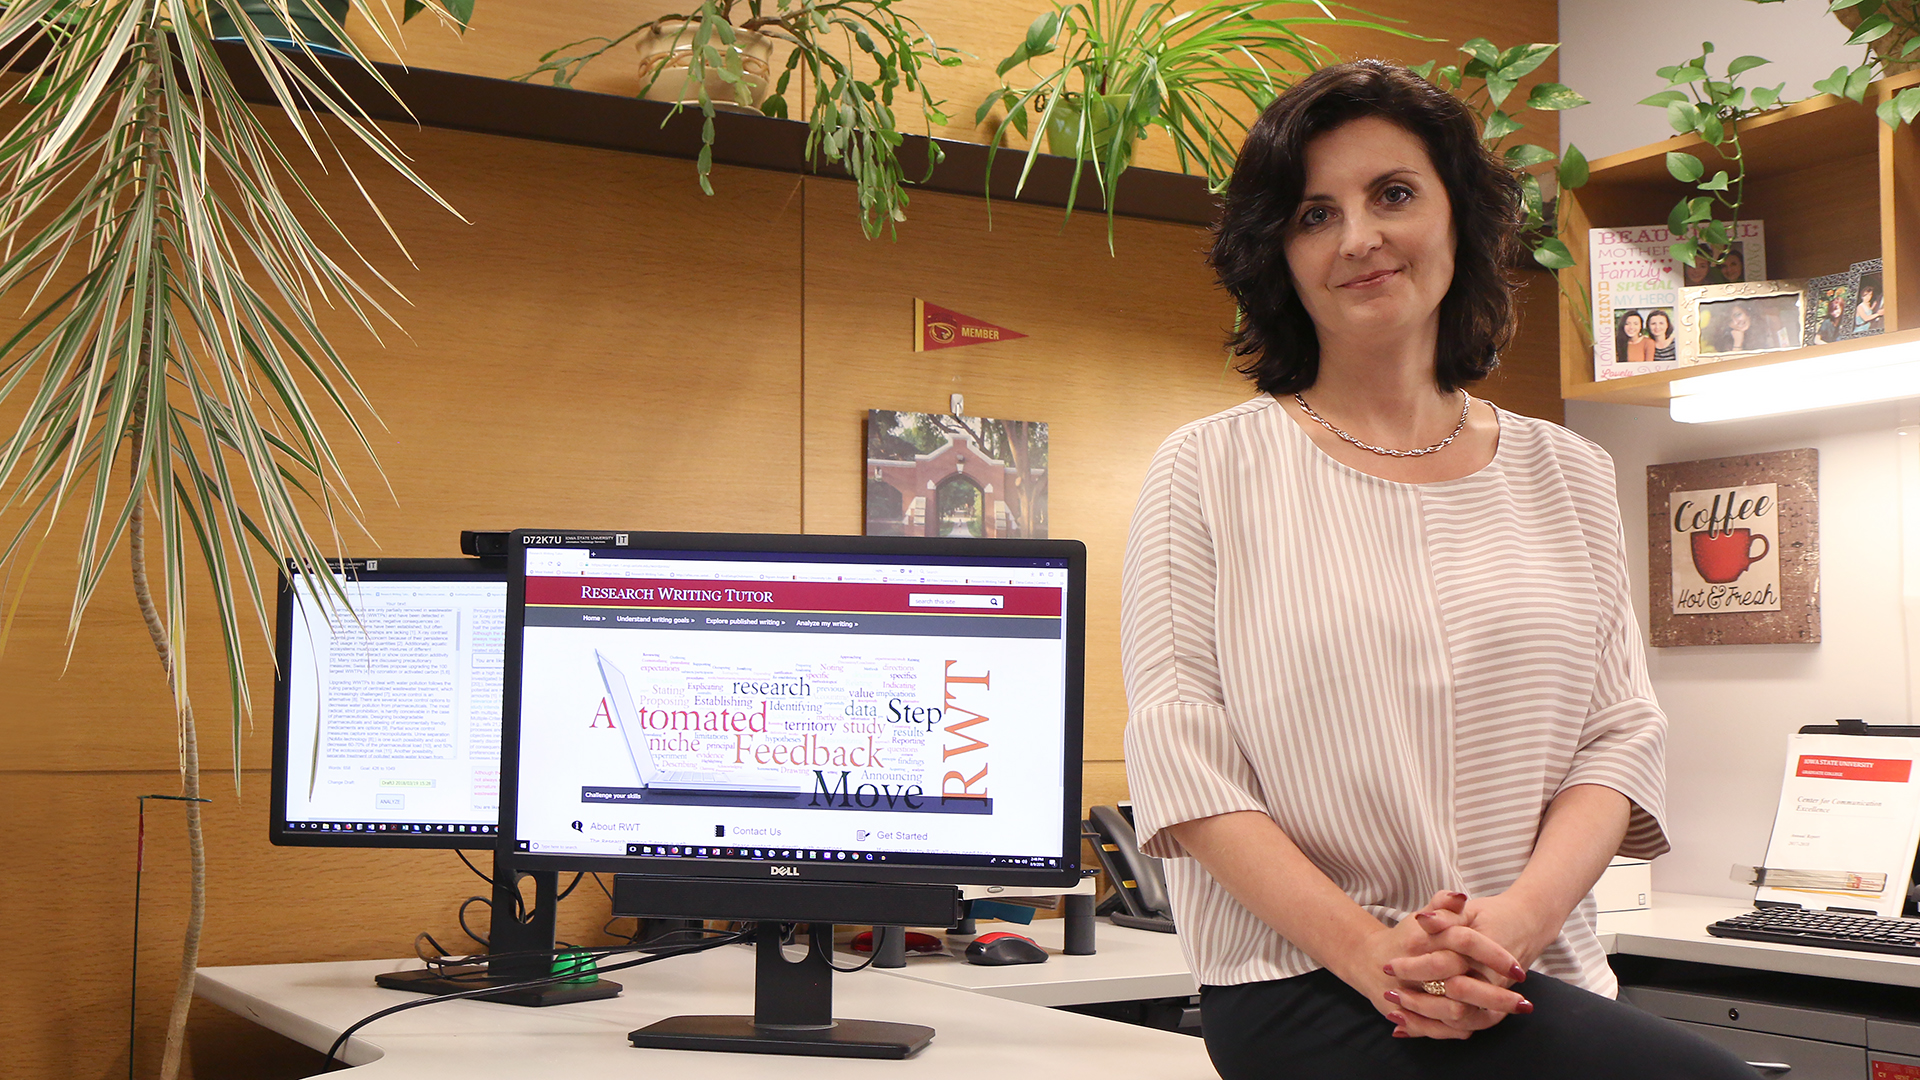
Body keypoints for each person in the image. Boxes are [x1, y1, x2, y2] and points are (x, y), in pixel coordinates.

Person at [1121, 60, 1757, 1079]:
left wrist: (1505, 932)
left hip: (1528, 967)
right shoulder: (1208, 469)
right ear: (1278, 255)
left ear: (1459, 218)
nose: (1359, 237)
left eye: (1394, 195)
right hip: (1298, 980)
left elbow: (1619, 735)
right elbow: (1182, 759)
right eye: (1314, 214)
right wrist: (1376, 956)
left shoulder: (1570, 471)